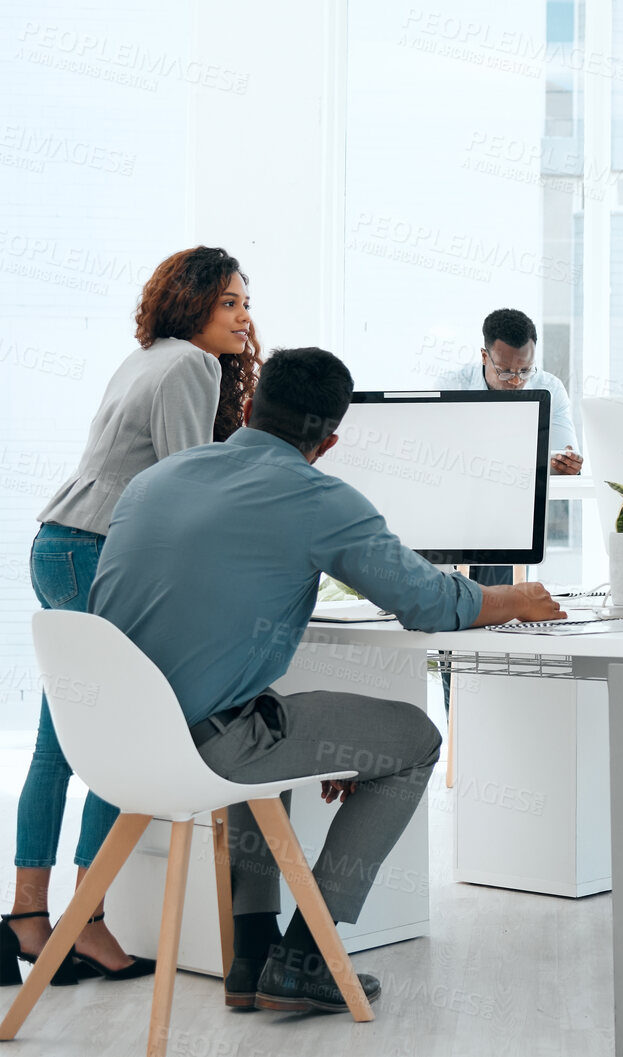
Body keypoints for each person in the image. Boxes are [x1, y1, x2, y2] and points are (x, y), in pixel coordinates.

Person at [90, 347, 566, 1013]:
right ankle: (307, 955)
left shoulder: (158, 478)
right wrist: (515, 599)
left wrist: (329, 742)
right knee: (414, 737)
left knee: (256, 722)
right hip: (209, 744)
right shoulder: (319, 497)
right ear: (331, 439)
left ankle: (252, 955)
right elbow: (428, 603)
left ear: (251, 409)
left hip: (116, 741)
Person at [7, 246, 262, 986]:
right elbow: (182, 489)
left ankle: (29, 916)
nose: (245, 318)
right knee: (116, 741)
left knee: (65, 741)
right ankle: (86, 919)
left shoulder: (147, 355)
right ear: (192, 306)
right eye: (229, 304)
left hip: (58, 543)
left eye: (246, 302)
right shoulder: (190, 365)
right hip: (98, 551)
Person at [437, 308, 581, 588]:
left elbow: (561, 456)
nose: (516, 380)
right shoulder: (451, 386)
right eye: (505, 372)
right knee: (451, 594)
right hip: (455, 510)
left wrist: (568, 465)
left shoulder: (550, 388)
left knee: (499, 601)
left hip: (510, 512)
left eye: (525, 370)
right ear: (484, 356)